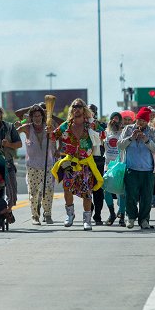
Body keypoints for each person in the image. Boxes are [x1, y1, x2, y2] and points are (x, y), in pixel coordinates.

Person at [50, 99, 105, 230]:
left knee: (87, 192)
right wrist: (49, 131)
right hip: (70, 162)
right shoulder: (66, 126)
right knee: (67, 188)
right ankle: (70, 214)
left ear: (84, 109)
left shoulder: (90, 125)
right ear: (71, 109)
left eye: (79, 106)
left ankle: (87, 220)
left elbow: (103, 135)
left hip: (86, 163)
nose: (76, 109)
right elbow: (53, 137)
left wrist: (96, 126)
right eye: (74, 106)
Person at [117, 106, 155, 230]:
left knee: (146, 197)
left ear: (147, 122)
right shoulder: (127, 129)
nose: (140, 123)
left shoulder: (152, 131)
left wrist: (146, 140)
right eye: (138, 120)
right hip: (131, 168)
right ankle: (130, 217)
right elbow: (120, 145)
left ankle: (144, 220)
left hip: (147, 170)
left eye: (143, 121)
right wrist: (131, 138)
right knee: (130, 195)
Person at [17, 104, 57, 225]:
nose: (37, 118)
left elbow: (57, 137)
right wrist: (17, 127)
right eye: (34, 116)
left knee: (48, 190)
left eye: (39, 115)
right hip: (32, 166)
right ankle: (35, 216)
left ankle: (47, 214)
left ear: (43, 116)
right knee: (33, 192)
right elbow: (14, 133)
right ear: (31, 117)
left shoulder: (49, 127)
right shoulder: (27, 128)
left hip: (48, 164)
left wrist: (52, 133)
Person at [103, 111, 127, 226]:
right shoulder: (105, 133)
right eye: (113, 119)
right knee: (106, 190)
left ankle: (122, 216)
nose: (115, 121)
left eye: (117, 119)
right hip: (108, 166)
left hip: (120, 166)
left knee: (122, 193)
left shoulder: (124, 133)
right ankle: (112, 213)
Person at [88, 104, 107, 225]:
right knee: (86, 187)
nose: (90, 112)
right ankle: (89, 209)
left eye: (92, 111)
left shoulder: (100, 125)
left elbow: (103, 136)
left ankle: (98, 215)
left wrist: (97, 128)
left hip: (98, 159)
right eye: (88, 110)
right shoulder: (80, 124)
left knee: (98, 188)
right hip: (84, 159)